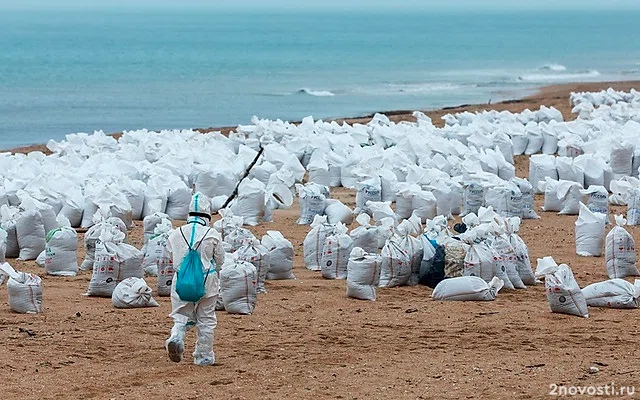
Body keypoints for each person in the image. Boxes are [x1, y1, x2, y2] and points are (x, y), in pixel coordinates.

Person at [165, 192, 225, 366]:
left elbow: (171, 256)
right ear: (207, 214)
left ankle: (176, 337)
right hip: (208, 281)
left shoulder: (175, 234)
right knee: (206, 319)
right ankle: (204, 356)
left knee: (181, 315)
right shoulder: (212, 234)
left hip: (181, 281)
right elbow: (220, 260)